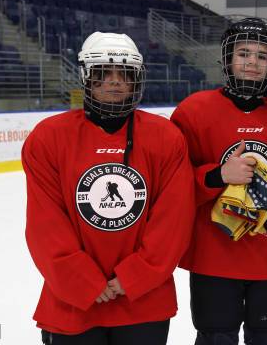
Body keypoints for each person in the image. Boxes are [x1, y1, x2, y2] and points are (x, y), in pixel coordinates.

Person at [22, 32, 195, 345]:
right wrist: (82, 281)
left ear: (135, 81)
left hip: (143, 301)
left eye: (124, 74)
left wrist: (135, 276)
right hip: (75, 301)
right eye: (104, 73)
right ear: (88, 77)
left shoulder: (165, 137)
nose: (115, 81)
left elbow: (174, 221)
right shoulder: (48, 138)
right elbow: (45, 224)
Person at [170, 18, 267, 345]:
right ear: (228, 58)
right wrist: (218, 175)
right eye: (244, 53)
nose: (252, 63)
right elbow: (172, 185)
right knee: (216, 337)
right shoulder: (193, 112)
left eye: (262, 56)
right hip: (213, 256)